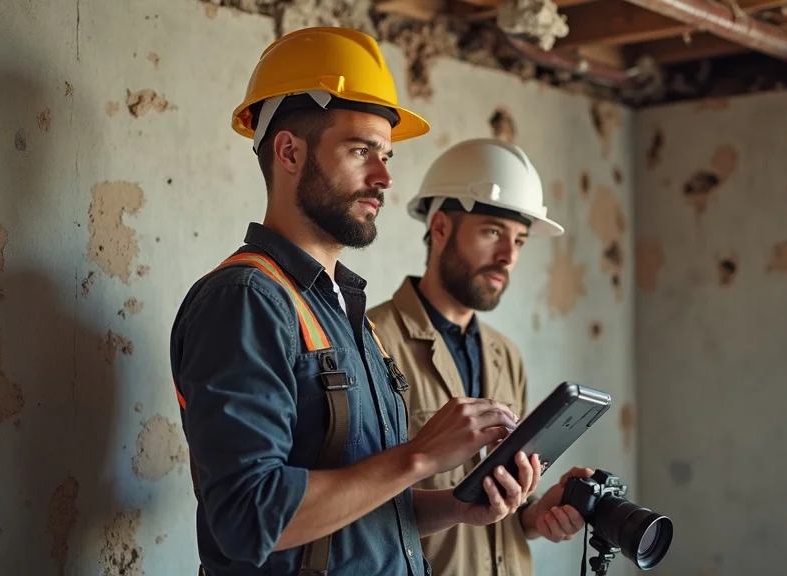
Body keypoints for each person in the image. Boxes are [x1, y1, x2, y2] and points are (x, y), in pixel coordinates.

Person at [169, 28, 543, 576]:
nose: (385, 177)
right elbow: (247, 516)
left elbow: (361, 513)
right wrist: (419, 456)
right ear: (289, 151)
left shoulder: (344, 311)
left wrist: (456, 507)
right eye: (361, 150)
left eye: (386, 155)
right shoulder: (246, 301)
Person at [368, 138, 594, 576]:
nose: (508, 256)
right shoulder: (371, 342)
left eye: (520, 241)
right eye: (492, 232)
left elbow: (502, 509)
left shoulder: (505, 355)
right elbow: (359, 503)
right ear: (440, 228)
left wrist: (538, 514)